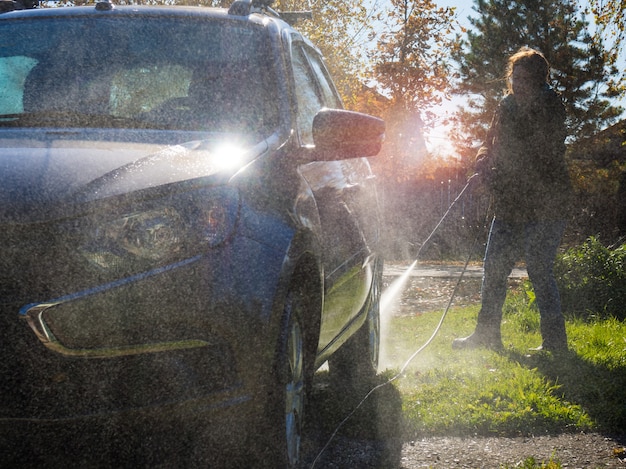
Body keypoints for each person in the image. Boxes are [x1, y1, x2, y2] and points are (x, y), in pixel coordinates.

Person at [453, 47, 572, 352]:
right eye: (514, 77)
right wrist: (481, 162)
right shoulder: (505, 105)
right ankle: (487, 335)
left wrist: (497, 176)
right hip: (509, 205)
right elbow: (489, 141)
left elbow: (539, 156)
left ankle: (555, 344)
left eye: (524, 78)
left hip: (545, 205)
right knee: (493, 268)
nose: (518, 83)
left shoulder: (550, 105)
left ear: (538, 78)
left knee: (539, 269)